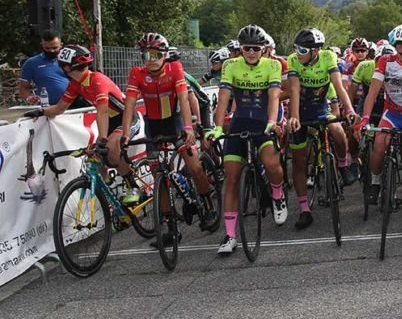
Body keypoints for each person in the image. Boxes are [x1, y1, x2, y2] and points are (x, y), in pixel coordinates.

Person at [206, 25, 287, 255]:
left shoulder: (273, 65)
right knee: (230, 178)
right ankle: (230, 235)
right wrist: (219, 128)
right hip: (240, 121)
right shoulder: (231, 65)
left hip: (262, 121)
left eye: (256, 48)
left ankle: (278, 193)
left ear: (263, 49)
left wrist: (272, 122)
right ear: (240, 49)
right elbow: (223, 99)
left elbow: (273, 97)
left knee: (272, 164)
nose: (251, 52)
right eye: (246, 48)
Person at [122, 33, 217, 232]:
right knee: (158, 173)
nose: (152, 60)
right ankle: (168, 224)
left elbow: (183, 98)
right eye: (147, 55)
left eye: (156, 55)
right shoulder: (137, 73)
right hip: (153, 124)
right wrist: (125, 134)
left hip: (175, 122)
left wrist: (189, 127)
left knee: (194, 166)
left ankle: (207, 203)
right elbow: (129, 103)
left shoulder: (175, 69)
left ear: (164, 55)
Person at [30, 45, 139, 201]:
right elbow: (60, 108)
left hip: (126, 118)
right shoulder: (76, 84)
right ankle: (112, 195)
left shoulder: (97, 79)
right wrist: (41, 111)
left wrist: (102, 139)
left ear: (66, 67)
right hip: (110, 120)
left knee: (111, 151)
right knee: (96, 160)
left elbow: (101, 112)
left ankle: (133, 187)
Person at [359, 24, 402, 240]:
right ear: (400, 48)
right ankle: (376, 181)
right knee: (379, 144)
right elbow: (372, 93)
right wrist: (364, 119)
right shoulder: (385, 62)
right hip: (391, 114)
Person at [287, 28, 358, 229]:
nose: (298, 53)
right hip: (300, 110)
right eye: (296, 49)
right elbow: (293, 90)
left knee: (337, 130)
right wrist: (294, 116)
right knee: (299, 162)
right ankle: (304, 210)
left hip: (320, 107)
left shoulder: (328, 56)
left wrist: (350, 110)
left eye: (302, 50)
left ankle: (343, 165)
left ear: (315, 51)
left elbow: (338, 84)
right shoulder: (293, 60)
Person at [18, 31, 70, 107]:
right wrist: (29, 98)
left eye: (55, 48)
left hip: (73, 106)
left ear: (61, 45)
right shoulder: (31, 63)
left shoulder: (70, 60)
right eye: (47, 48)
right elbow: (23, 88)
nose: (51, 51)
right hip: (47, 107)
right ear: (42, 45)